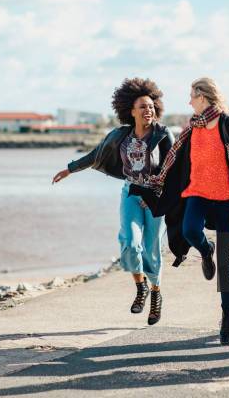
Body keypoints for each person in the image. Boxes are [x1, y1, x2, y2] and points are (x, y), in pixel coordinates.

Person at [132, 77, 229, 345]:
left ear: (203, 97)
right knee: (190, 230)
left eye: (192, 96)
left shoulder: (227, 124)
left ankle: (227, 315)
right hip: (197, 194)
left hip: (226, 200)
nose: (189, 101)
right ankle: (206, 250)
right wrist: (154, 190)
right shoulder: (191, 129)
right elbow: (172, 163)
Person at [52, 78, 174, 325]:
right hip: (131, 193)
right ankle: (141, 286)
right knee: (130, 242)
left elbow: (175, 167)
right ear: (131, 111)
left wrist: (159, 193)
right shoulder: (120, 136)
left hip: (157, 197)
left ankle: (156, 292)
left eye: (151, 106)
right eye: (142, 106)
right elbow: (95, 155)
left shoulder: (163, 134)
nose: (147, 110)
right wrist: (70, 169)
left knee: (151, 250)